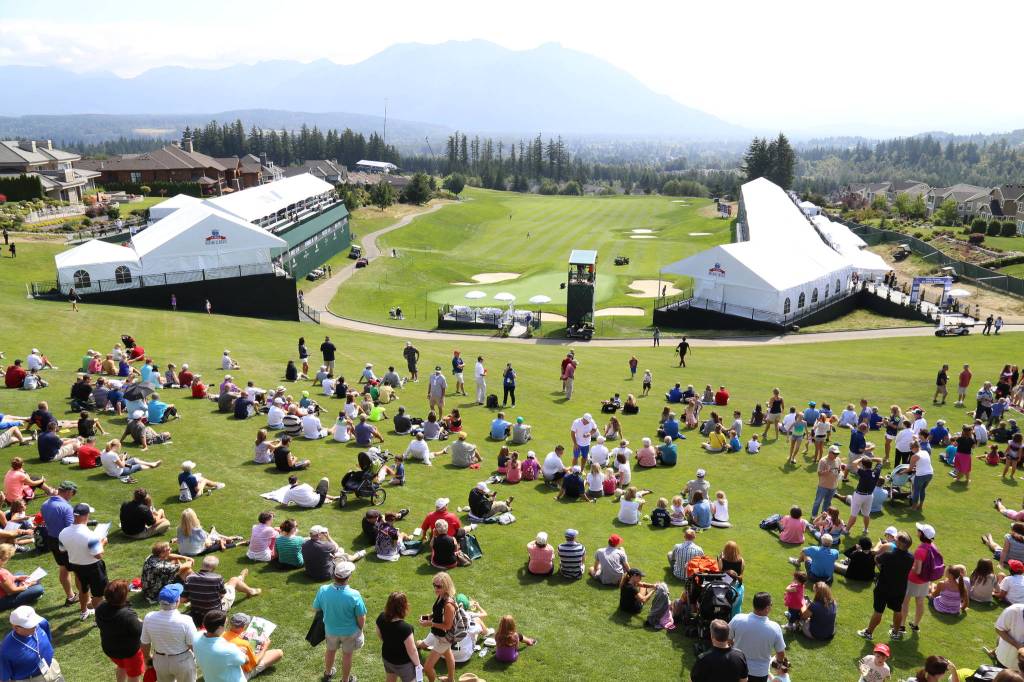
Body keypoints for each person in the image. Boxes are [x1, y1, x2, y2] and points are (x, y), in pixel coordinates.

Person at [858, 531, 915, 641]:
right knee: (897, 610)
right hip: (900, 588)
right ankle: (895, 633)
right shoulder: (911, 557)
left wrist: (879, 547)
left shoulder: (888, 555)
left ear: (898, 543)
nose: (894, 539)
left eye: (896, 538)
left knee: (878, 611)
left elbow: (877, 560)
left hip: (883, 587)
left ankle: (868, 633)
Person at [58, 502, 108, 621]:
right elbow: (98, 555)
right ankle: (98, 619)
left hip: (76, 566)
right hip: (94, 567)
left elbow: (62, 549)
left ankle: (84, 611)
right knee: (98, 595)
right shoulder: (90, 535)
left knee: (83, 589)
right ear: (85, 516)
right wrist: (103, 542)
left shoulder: (63, 532)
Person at [729, 592, 786, 682]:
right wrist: (779, 663)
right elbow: (780, 652)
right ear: (767, 608)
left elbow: (728, 639)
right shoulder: (775, 628)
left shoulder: (737, 619)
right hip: (759, 673)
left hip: (736, 666)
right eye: (771, 605)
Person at [96, 579, 144, 682]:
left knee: (121, 666)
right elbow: (140, 632)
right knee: (133, 675)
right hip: (130, 653)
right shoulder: (127, 616)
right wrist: (141, 622)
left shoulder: (100, 607)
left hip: (111, 649)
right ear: (124, 597)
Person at [40, 481, 79, 606]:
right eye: (73, 493)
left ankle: (70, 596)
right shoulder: (66, 507)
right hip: (66, 542)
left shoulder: (44, 504)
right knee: (78, 570)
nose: (72, 496)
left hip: (52, 540)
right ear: (68, 492)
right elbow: (71, 528)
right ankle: (86, 598)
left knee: (63, 567)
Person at [0, 606, 63, 682]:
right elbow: (4, 677)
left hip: (53, 670)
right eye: (30, 625)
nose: (36, 626)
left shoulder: (42, 624)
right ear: (16, 628)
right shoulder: (6, 650)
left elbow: (48, 641)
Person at [223, 611, 285, 680]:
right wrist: (265, 647)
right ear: (243, 626)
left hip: (223, 670)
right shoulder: (244, 644)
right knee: (279, 653)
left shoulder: (222, 635)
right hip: (240, 674)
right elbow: (253, 665)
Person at [418, 572, 457, 682]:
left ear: (446, 586)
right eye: (434, 585)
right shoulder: (441, 596)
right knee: (448, 655)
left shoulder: (448, 605)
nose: (435, 588)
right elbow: (437, 612)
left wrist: (430, 623)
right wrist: (427, 617)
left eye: (438, 586)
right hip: (437, 633)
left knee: (427, 668)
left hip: (443, 638)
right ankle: (450, 679)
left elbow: (448, 625)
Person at [375, 592, 421, 682]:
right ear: (404, 607)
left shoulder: (381, 617)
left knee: (390, 679)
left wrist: (389, 642)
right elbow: (412, 651)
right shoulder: (406, 628)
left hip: (387, 658)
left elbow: (379, 633)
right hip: (403, 664)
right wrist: (418, 665)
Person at [177, 508, 243, 557]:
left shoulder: (179, 529)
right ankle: (227, 537)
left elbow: (180, 541)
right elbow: (208, 544)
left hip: (182, 552)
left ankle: (218, 534)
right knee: (213, 539)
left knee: (210, 536)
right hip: (195, 552)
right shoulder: (198, 530)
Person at [846, 454, 883, 534]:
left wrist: (862, 458)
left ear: (863, 465)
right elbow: (880, 459)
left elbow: (854, 463)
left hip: (859, 495)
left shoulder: (863, 472)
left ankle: (846, 530)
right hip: (869, 496)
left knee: (854, 514)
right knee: (866, 514)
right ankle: (866, 529)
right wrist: (869, 459)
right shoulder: (876, 472)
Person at [0, 544, 43, 611]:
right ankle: (30, 596)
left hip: (5, 590)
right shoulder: (2, 573)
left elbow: (4, 581)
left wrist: (17, 577)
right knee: (39, 589)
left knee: (20, 573)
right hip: (4, 599)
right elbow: (11, 591)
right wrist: (27, 585)